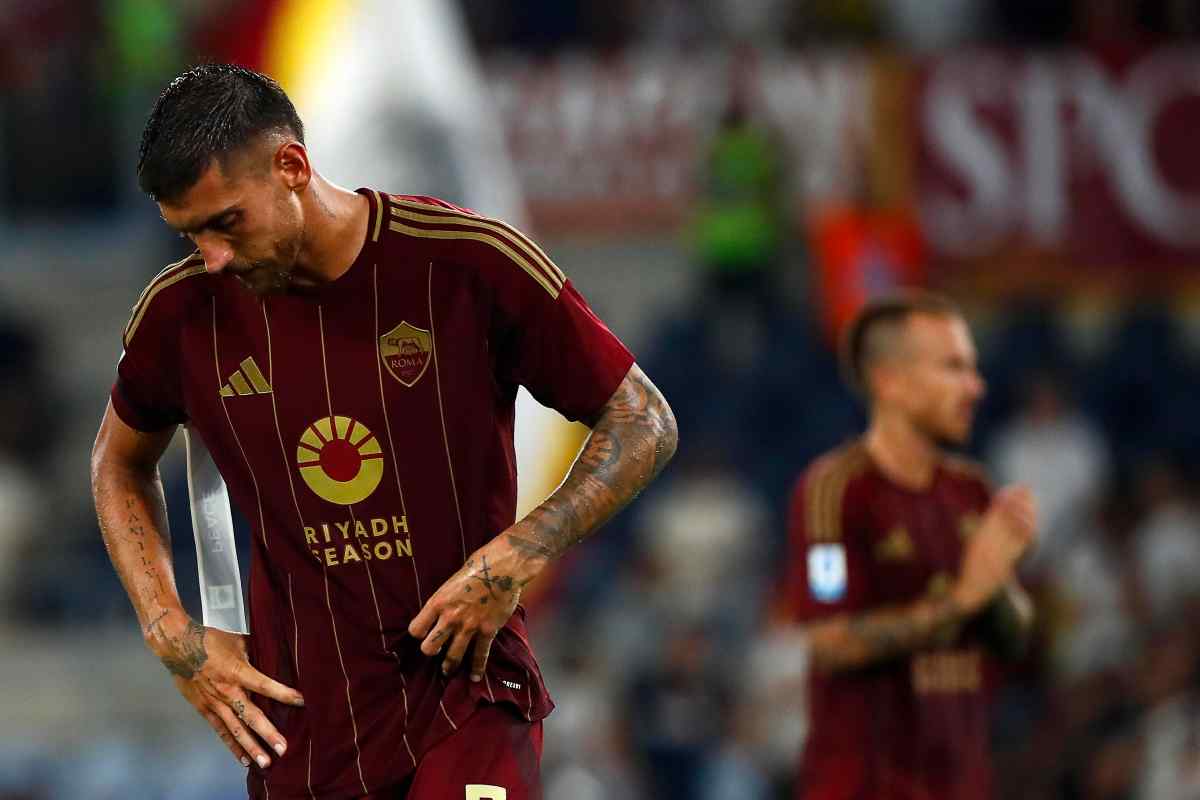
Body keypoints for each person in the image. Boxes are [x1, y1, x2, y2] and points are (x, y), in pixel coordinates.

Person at [89, 64, 677, 800]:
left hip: (466, 696)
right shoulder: (180, 315)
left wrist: (518, 556)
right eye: (189, 235)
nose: (212, 258)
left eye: (225, 222)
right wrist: (172, 632)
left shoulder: (466, 262)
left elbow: (643, 420)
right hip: (302, 725)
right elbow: (118, 462)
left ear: (292, 167)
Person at [775, 291, 1038, 800]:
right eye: (954, 368)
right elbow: (830, 642)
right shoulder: (833, 489)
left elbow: (1012, 640)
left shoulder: (972, 491)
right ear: (889, 381)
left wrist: (1003, 580)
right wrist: (962, 598)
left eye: (974, 368)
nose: (976, 387)